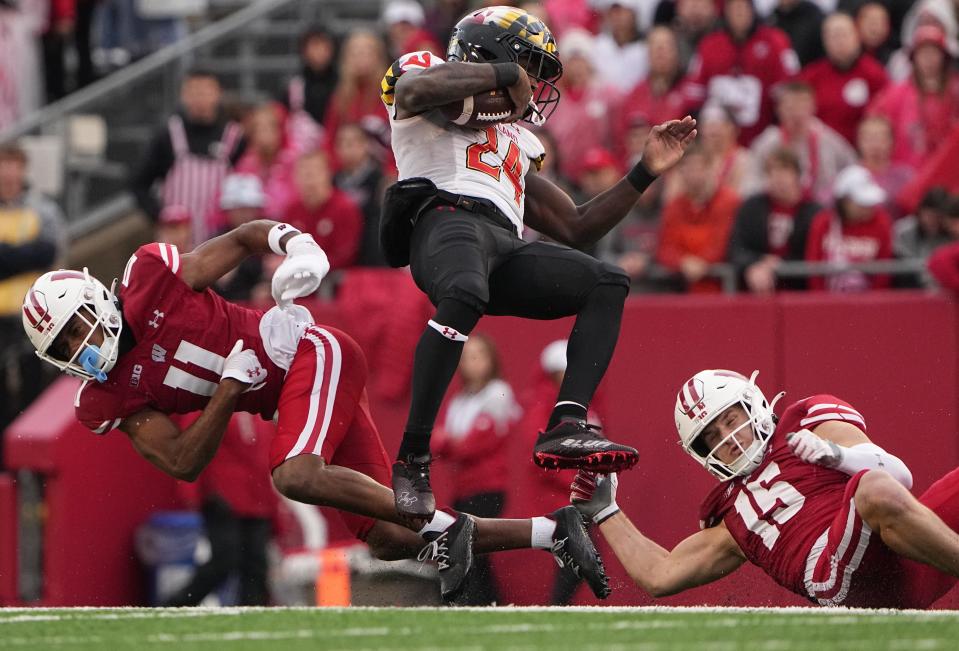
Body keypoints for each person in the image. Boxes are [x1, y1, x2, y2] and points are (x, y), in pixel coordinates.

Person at [20, 219, 612, 603]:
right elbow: (181, 461)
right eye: (64, 348)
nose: (80, 346)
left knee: (295, 474)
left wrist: (294, 244)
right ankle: (552, 531)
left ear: (96, 298)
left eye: (74, 328)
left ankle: (443, 522)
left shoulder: (150, 277)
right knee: (385, 538)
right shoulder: (105, 398)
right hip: (284, 394)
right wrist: (228, 390)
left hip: (308, 349)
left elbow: (247, 238)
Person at [380, 5, 696, 521]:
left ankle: (566, 421)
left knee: (606, 281)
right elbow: (415, 93)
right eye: (527, 63)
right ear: (492, 54)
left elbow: (576, 225)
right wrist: (508, 75)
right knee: (464, 289)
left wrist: (644, 172)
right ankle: (413, 455)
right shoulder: (425, 71)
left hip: (502, 243)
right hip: (445, 219)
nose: (536, 82)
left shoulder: (514, 138)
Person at [570, 368, 959, 609]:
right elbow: (661, 574)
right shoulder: (733, 517)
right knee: (872, 489)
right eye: (712, 436)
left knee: (880, 486)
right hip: (839, 581)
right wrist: (607, 511)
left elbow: (899, 476)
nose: (728, 437)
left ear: (752, 403)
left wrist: (834, 454)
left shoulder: (809, 423)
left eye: (729, 419)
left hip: (906, 559)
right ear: (701, 453)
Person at [433, 333, 519, 605]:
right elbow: (440, 442)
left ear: (491, 359)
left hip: (488, 487)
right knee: (469, 551)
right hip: (463, 488)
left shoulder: (498, 393)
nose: (472, 362)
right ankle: (482, 603)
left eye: (479, 355)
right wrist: (448, 441)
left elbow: (471, 444)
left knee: (471, 549)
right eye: (467, 357)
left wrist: (448, 441)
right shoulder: (461, 400)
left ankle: (482, 603)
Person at [130, 69, 245, 245]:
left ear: (218, 94)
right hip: (176, 247)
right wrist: (161, 218)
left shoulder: (234, 136)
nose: (199, 98)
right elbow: (139, 182)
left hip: (221, 243)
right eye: (193, 91)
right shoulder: (168, 135)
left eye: (205, 91)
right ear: (183, 95)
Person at [805, 164, 894, 292]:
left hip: (869, 305)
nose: (868, 208)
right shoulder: (822, 223)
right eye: (862, 203)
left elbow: (884, 273)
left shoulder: (882, 222)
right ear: (844, 201)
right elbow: (813, 269)